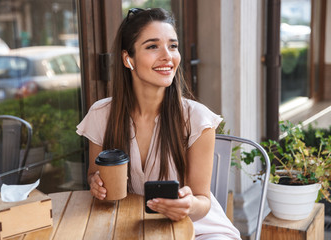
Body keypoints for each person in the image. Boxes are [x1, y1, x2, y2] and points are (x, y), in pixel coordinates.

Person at [76, 8, 241, 239]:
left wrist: (188, 204)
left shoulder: (197, 119)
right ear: (128, 58)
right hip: (133, 227)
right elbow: (94, 174)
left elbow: (203, 201)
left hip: (199, 230)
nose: (168, 56)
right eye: (152, 46)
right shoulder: (102, 115)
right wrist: (96, 183)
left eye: (173, 46)